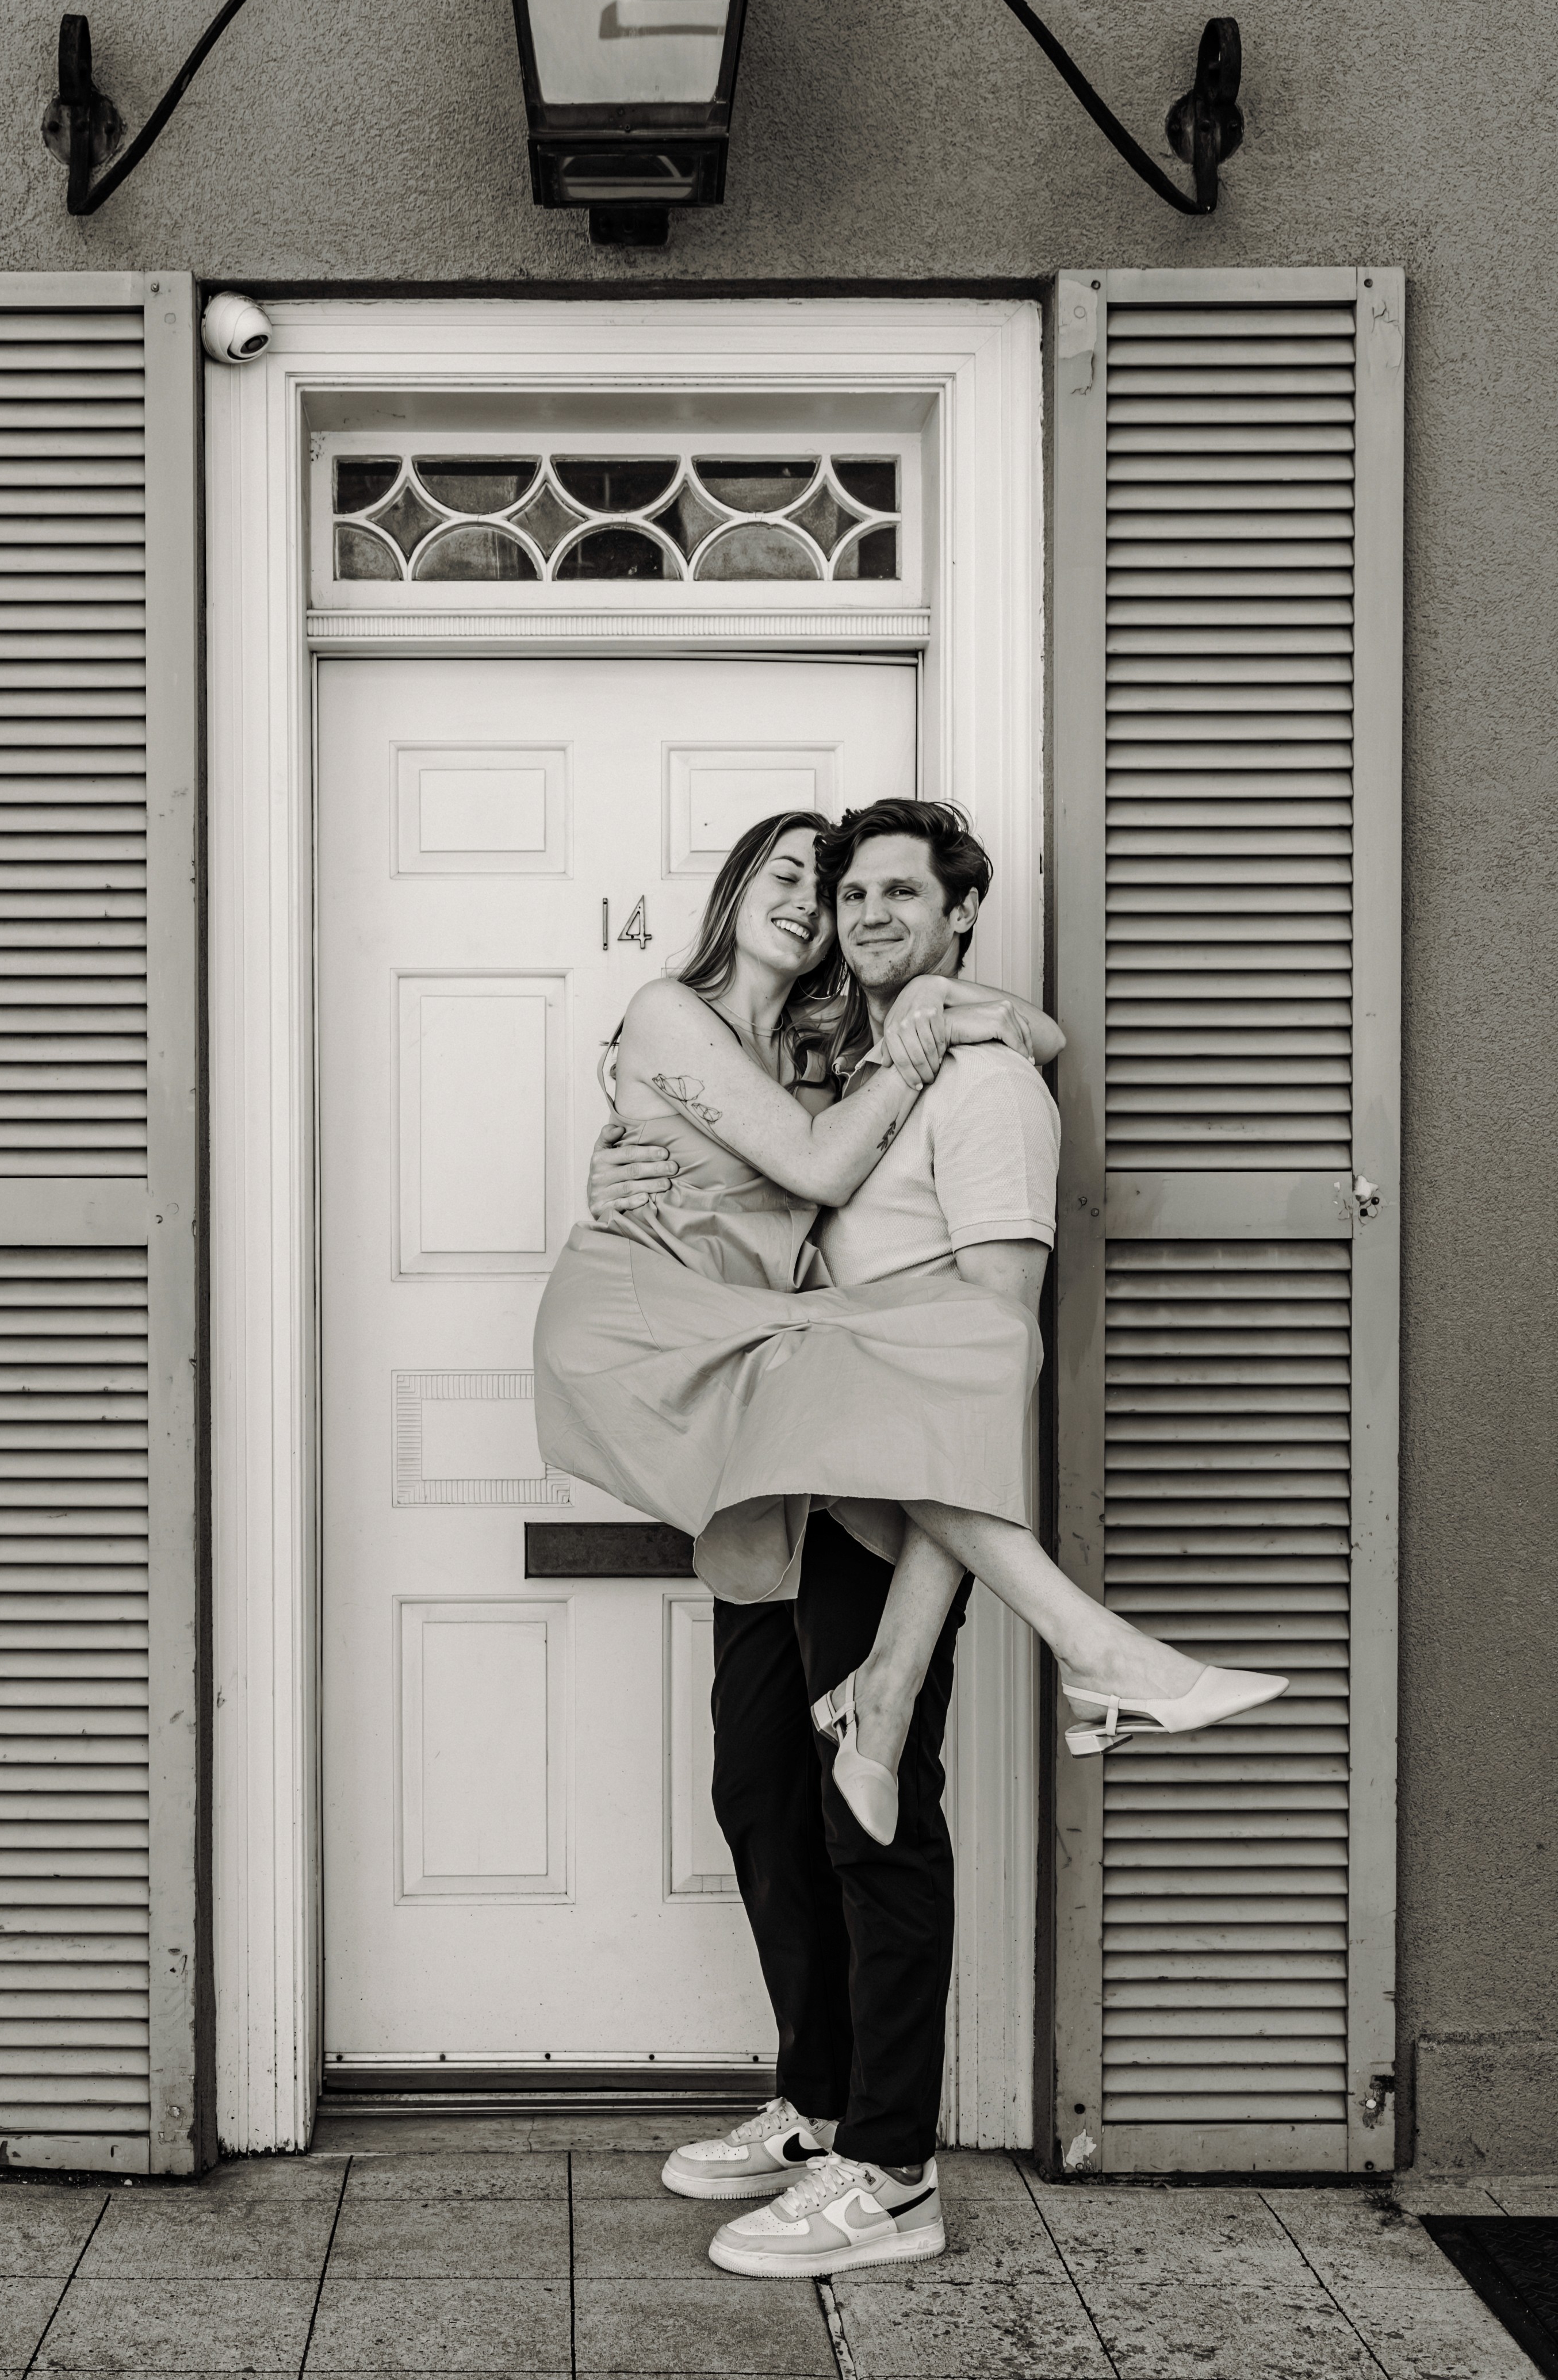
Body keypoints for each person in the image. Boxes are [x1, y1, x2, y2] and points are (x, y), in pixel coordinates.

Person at [535, 799, 1283, 2278]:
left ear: (955, 919)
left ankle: (889, 2168)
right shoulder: (851, 1057)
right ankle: (817, 2106)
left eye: (889, 891)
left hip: (873, 1496)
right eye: (831, 884)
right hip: (783, 1469)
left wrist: (893, 1661)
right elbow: (766, 1188)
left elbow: (980, 1367)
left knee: (871, 1819)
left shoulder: (976, 1080)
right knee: (761, 1791)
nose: (849, 909)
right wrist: (613, 1170)